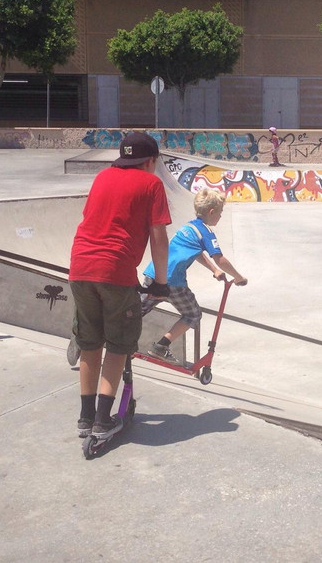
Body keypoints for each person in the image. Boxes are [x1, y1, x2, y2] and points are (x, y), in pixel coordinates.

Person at [68, 131, 171, 441]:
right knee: (117, 346)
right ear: (151, 160)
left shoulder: (102, 177)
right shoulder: (152, 184)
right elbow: (159, 236)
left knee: (89, 343)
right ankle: (102, 421)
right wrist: (161, 284)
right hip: (114, 272)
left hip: (80, 268)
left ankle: (85, 418)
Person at [140, 188, 247, 364]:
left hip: (153, 273)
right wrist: (238, 276)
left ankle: (107, 336)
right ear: (211, 212)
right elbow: (220, 258)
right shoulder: (206, 232)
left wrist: (214, 270)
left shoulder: (188, 227)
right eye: (220, 213)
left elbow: (196, 252)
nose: (220, 217)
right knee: (193, 314)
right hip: (172, 282)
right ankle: (161, 346)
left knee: (136, 311)